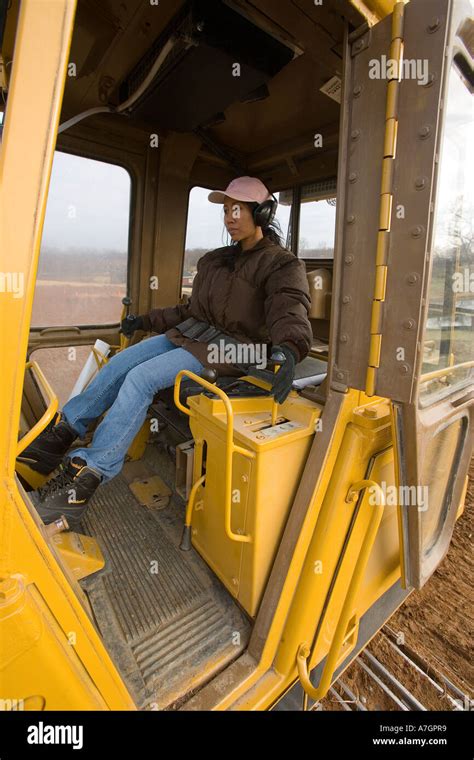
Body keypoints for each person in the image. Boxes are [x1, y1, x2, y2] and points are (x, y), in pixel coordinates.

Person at [19, 176, 313, 529]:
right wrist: (145, 319)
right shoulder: (214, 262)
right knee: (121, 363)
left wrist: (288, 349)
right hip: (194, 336)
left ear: (262, 212)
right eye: (225, 210)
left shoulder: (281, 265)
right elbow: (189, 312)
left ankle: (86, 478)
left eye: (238, 209)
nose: (229, 217)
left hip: (236, 350)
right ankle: (60, 435)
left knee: (141, 380)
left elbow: (289, 308)